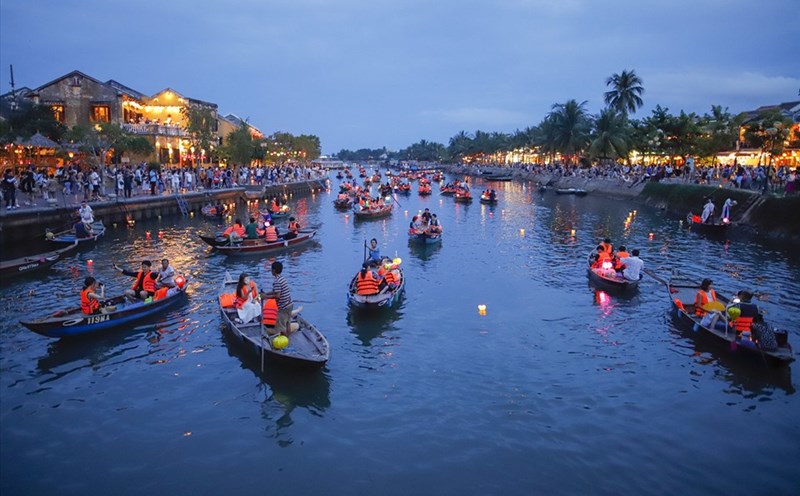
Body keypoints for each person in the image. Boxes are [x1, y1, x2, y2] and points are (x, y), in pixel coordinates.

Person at [261, 261, 293, 336]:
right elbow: (275, 291)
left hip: (283, 307)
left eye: (271, 269)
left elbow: (277, 295)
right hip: (289, 304)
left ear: (274, 270)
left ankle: (285, 341)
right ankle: (289, 337)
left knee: (281, 327)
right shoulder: (282, 278)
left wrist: (265, 297)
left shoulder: (277, 281)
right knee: (288, 322)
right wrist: (266, 294)